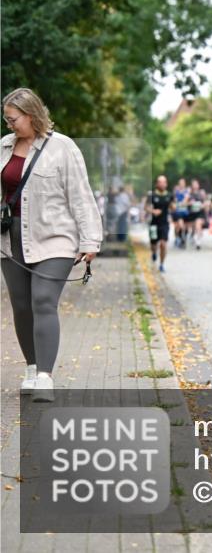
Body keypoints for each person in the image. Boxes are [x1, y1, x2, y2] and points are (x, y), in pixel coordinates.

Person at [0, 88, 102, 402]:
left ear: (31, 115)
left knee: (43, 300)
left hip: (55, 236)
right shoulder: (4, 147)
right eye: (6, 119)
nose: (9, 125)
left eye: (13, 119)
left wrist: (90, 239)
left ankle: (45, 376)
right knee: (21, 306)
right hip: (10, 237)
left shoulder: (62, 147)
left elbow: (81, 195)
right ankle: (31, 368)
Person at [145, 175, 173, 272]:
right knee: (153, 244)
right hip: (154, 223)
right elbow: (146, 207)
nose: (162, 184)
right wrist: (153, 211)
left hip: (164, 223)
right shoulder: (152, 195)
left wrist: (174, 207)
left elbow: (173, 206)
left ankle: (161, 264)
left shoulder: (169, 195)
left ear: (166, 184)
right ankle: (154, 253)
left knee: (163, 244)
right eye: (160, 182)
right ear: (157, 184)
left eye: (164, 182)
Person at [186, 178, 208, 249]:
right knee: (194, 227)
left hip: (200, 213)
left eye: (196, 184)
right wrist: (189, 203)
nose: (195, 186)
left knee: (198, 224)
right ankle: (192, 236)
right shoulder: (189, 194)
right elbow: (184, 203)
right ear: (191, 186)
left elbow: (206, 203)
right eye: (193, 185)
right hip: (192, 213)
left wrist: (203, 206)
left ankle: (198, 241)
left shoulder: (201, 193)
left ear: (198, 185)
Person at [171, 177, 189, 248]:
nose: (182, 184)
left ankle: (181, 238)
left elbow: (186, 199)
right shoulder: (176, 192)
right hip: (177, 212)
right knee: (178, 226)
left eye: (183, 183)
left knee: (183, 227)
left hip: (185, 212)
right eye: (180, 183)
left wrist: (181, 203)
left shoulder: (186, 191)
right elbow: (174, 201)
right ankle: (179, 238)